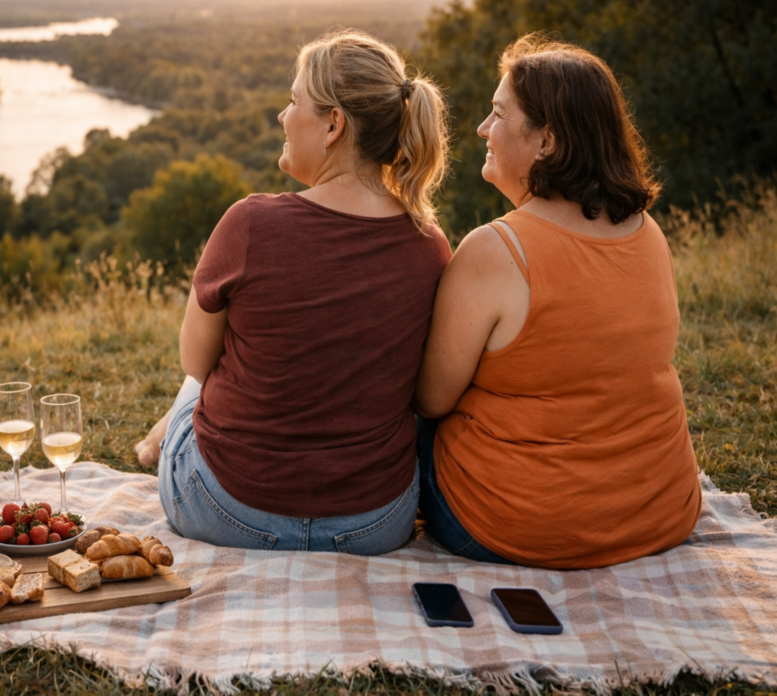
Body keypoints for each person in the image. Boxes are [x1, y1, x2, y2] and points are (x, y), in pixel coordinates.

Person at [135, 30, 453, 554]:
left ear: (334, 124)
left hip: (226, 509)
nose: (284, 117)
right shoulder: (430, 244)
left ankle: (167, 432)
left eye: (293, 101)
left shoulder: (251, 223)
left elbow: (195, 359)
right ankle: (166, 430)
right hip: (372, 524)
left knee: (198, 378)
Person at [413, 35, 702, 569]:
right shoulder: (647, 231)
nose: (482, 128)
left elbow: (431, 400)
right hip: (658, 513)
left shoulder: (494, 250)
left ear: (546, 141)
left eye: (498, 113)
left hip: (516, 524)